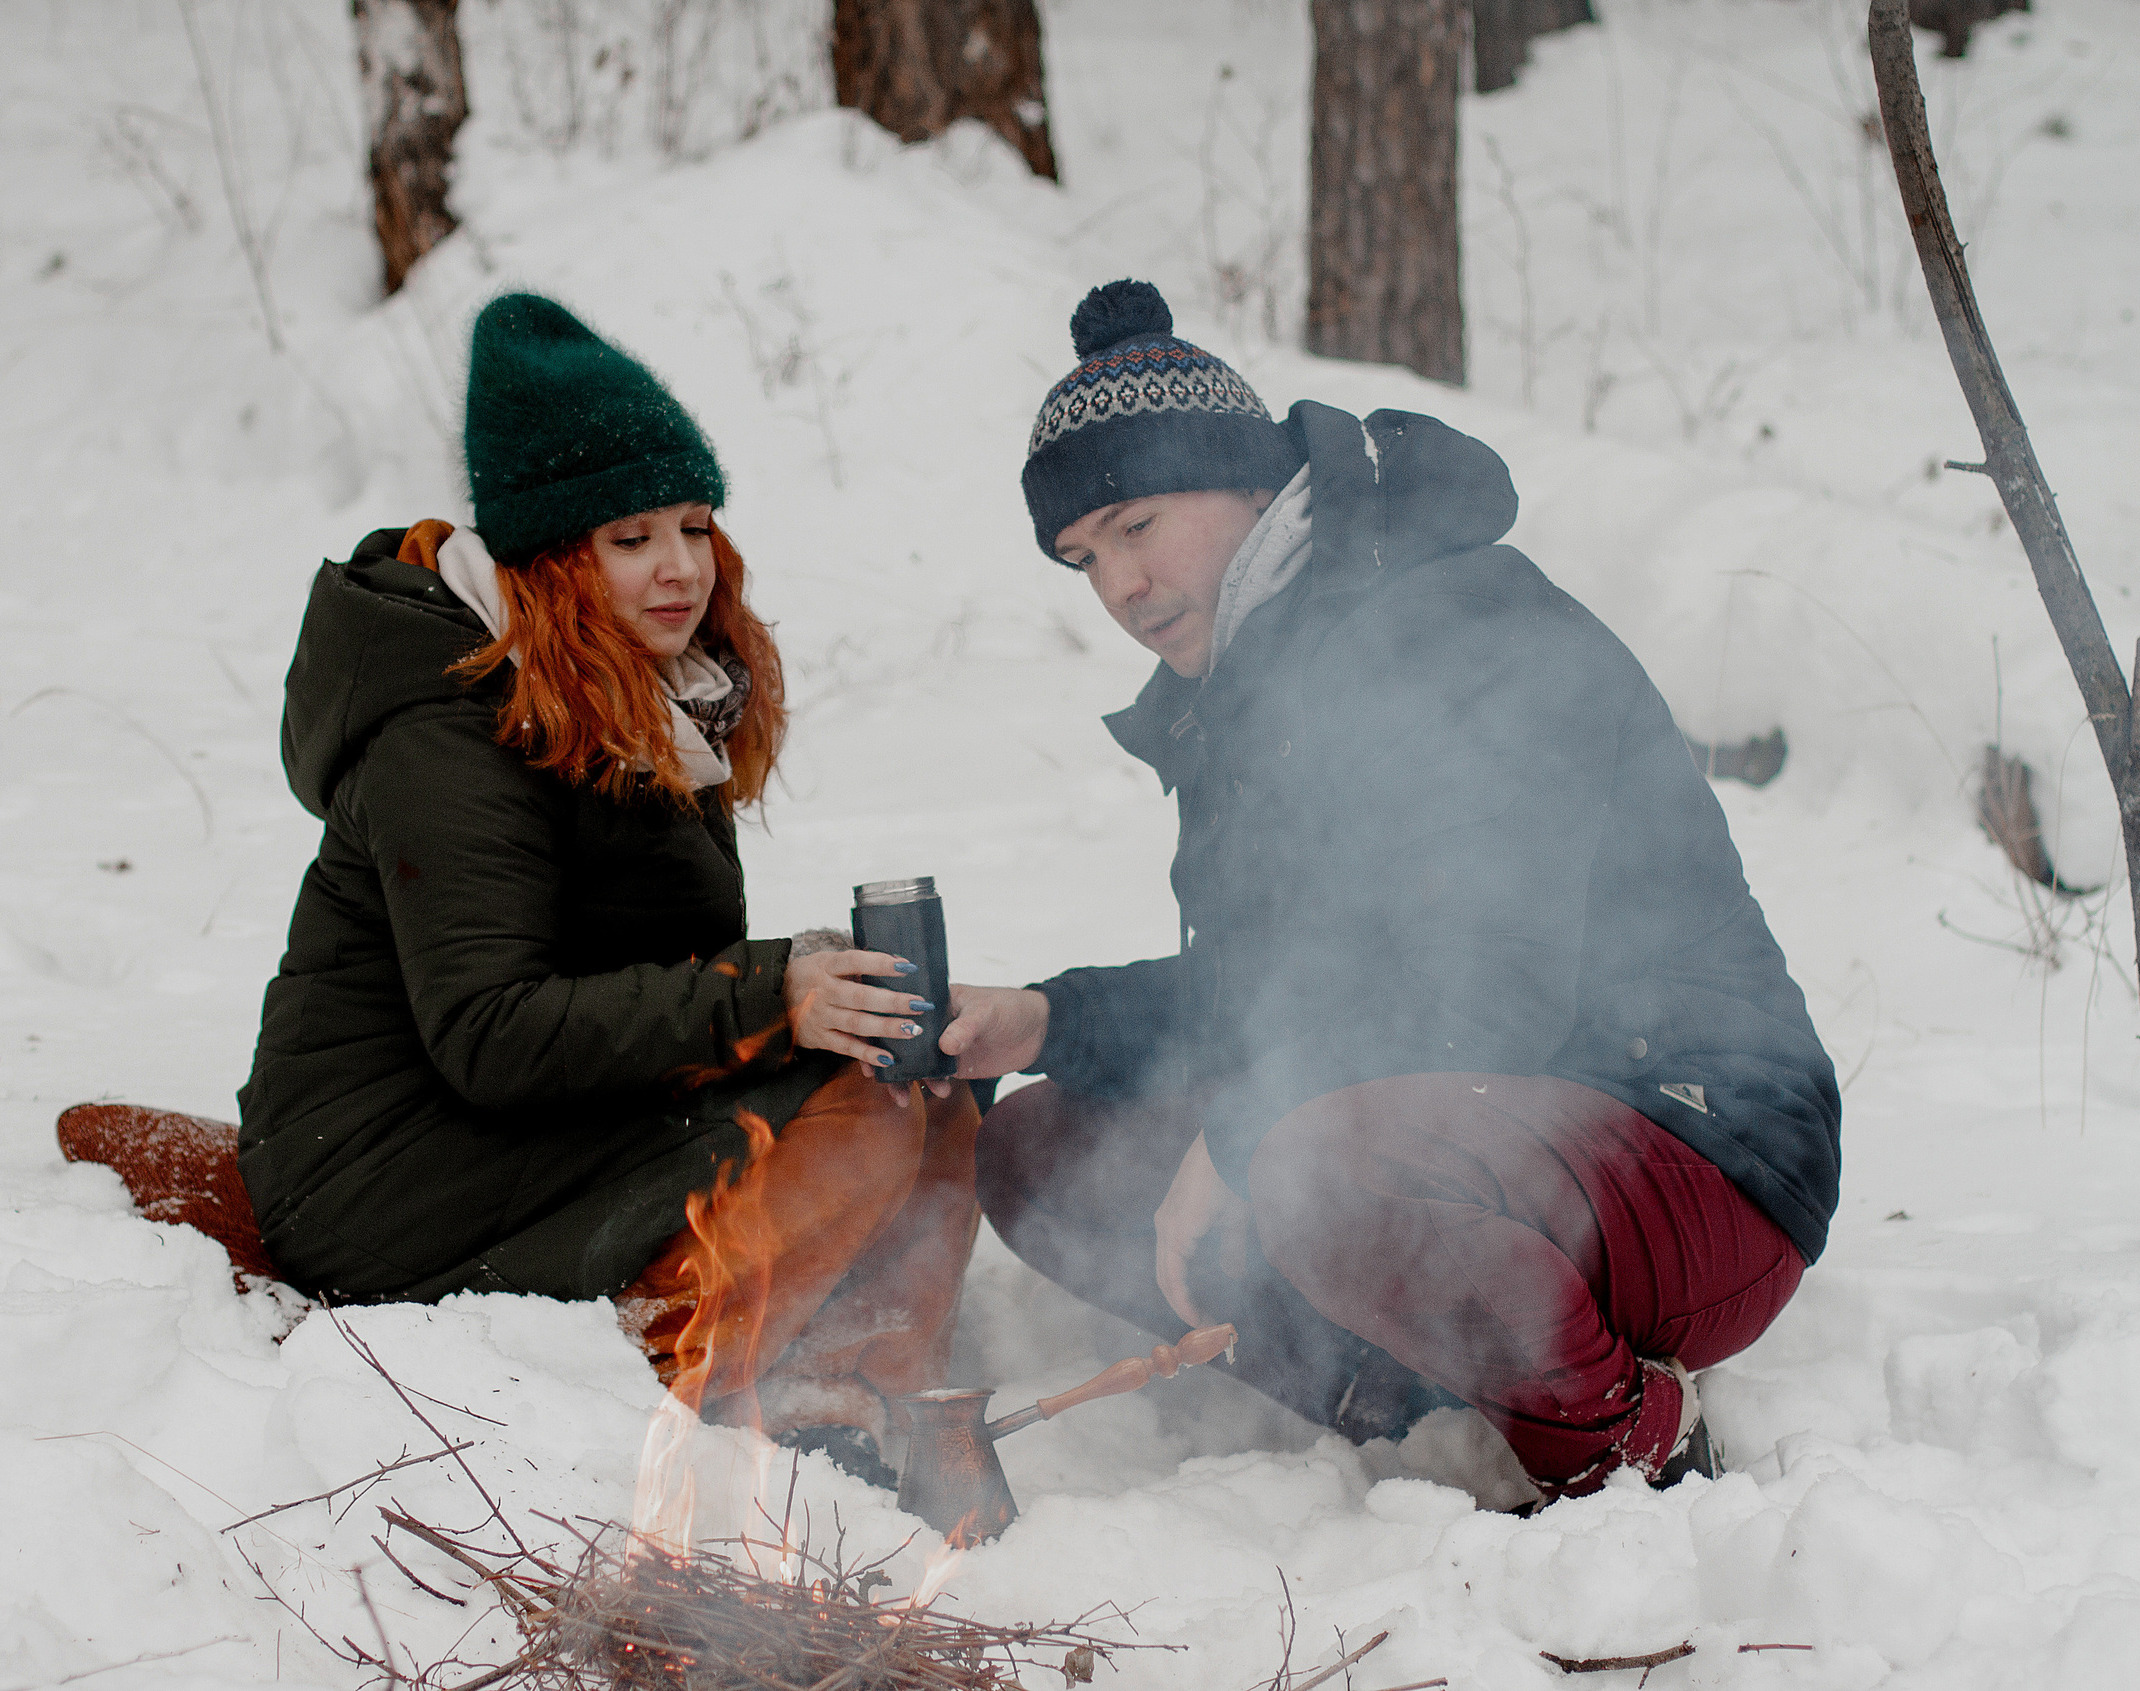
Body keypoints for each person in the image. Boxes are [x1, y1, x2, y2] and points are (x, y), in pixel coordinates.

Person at [936, 280, 1841, 1503]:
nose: (1121, 588)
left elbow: (1483, 989)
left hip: (1689, 1145)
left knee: (1318, 1159)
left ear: (1251, 484)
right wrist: (1050, 1017)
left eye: (1140, 523)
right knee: (1046, 1142)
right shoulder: (1248, 688)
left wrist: (1246, 1129)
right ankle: (1410, 1398)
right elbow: (1282, 995)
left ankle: (1635, 1450)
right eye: (1084, 556)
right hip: (1469, 1143)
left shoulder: (1457, 620)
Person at [232, 292, 978, 1478]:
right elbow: (486, 1028)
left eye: (693, 525)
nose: (679, 567)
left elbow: (637, 961)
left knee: (917, 1082)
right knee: (862, 1114)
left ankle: (872, 1397)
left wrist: (819, 989)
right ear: (552, 557)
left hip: (516, 1115)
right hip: (383, 1165)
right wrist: (764, 997)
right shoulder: (446, 731)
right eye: (631, 538)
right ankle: (658, 1379)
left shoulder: (647, 688)